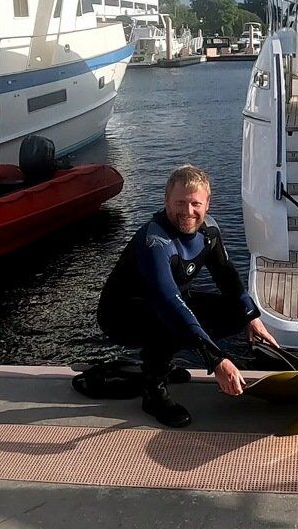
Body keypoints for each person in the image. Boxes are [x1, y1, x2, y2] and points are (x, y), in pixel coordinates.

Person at [96, 164, 278, 427]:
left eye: (195, 203)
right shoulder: (155, 242)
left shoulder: (209, 231)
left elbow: (226, 276)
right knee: (169, 320)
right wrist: (216, 359)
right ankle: (153, 391)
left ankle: (161, 362)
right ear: (166, 201)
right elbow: (167, 301)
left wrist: (252, 316)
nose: (188, 211)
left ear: (207, 204)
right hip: (122, 315)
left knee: (235, 313)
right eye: (180, 202)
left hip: (166, 304)